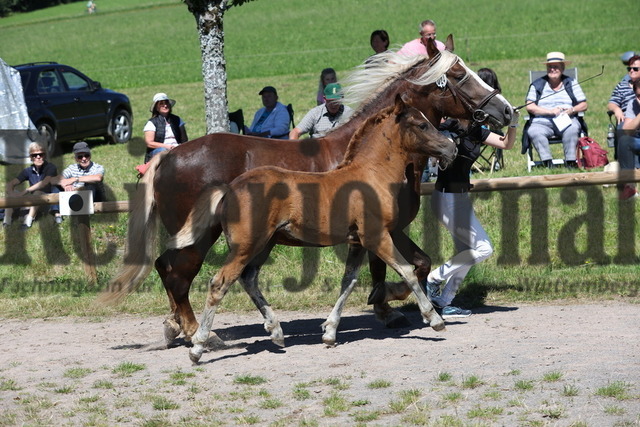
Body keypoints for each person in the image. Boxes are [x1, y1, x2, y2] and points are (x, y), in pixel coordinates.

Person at [423, 68, 519, 318]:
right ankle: (434, 278)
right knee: (484, 249)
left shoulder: (478, 131)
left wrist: (514, 124)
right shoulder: (451, 126)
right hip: (445, 198)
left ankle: (444, 302)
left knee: (470, 252)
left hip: (460, 199)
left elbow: (506, 144)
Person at [524, 52, 588, 168]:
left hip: (566, 121)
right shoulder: (537, 85)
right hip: (542, 122)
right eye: (550, 67)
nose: (552, 69)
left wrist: (571, 110)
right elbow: (529, 106)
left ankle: (570, 162)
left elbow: (583, 104)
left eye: (556, 67)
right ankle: (547, 163)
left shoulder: (571, 83)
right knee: (534, 131)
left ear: (562, 68)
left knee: (573, 128)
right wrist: (550, 112)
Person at [3, 143, 61, 229]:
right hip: (33, 202)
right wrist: (11, 193)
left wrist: (25, 191)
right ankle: (6, 222)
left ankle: (27, 222)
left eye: (41, 154)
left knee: (37, 193)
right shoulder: (28, 171)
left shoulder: (50, 167)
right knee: (12, 193)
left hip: (48, 203)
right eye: (35, 155)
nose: (38, 157)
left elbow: (44, 182)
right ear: (30, 157)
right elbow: (11, 183)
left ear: (45, 155)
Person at [289, 83, 354, 140]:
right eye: (330, 101)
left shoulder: (350, 114)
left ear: (342, 98)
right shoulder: (315, 113)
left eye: (336, 101)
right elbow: (295, 132)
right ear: (324, 99)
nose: (333, 105)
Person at [143, 93, 188, 163]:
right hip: (160, 150)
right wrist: (166, 146)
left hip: (177, 147)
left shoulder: (177, 119)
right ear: (156, 107)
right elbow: (149, 143)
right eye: (161, 104)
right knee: (163, 151)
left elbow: (184, 140)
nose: (165, 105)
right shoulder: (151, 123)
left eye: (166, 103)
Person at [619, 79, 640, 200]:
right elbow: (626, 130)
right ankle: (630, 187)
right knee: (624, 140)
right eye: (639, 96)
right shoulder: (633, 104)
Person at [608, 55, 640, 125]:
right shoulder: (622, 86)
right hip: (626, 120)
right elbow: (611, 104)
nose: (631, 71)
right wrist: (616, 109)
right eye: (629, 69)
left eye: (635, 69)